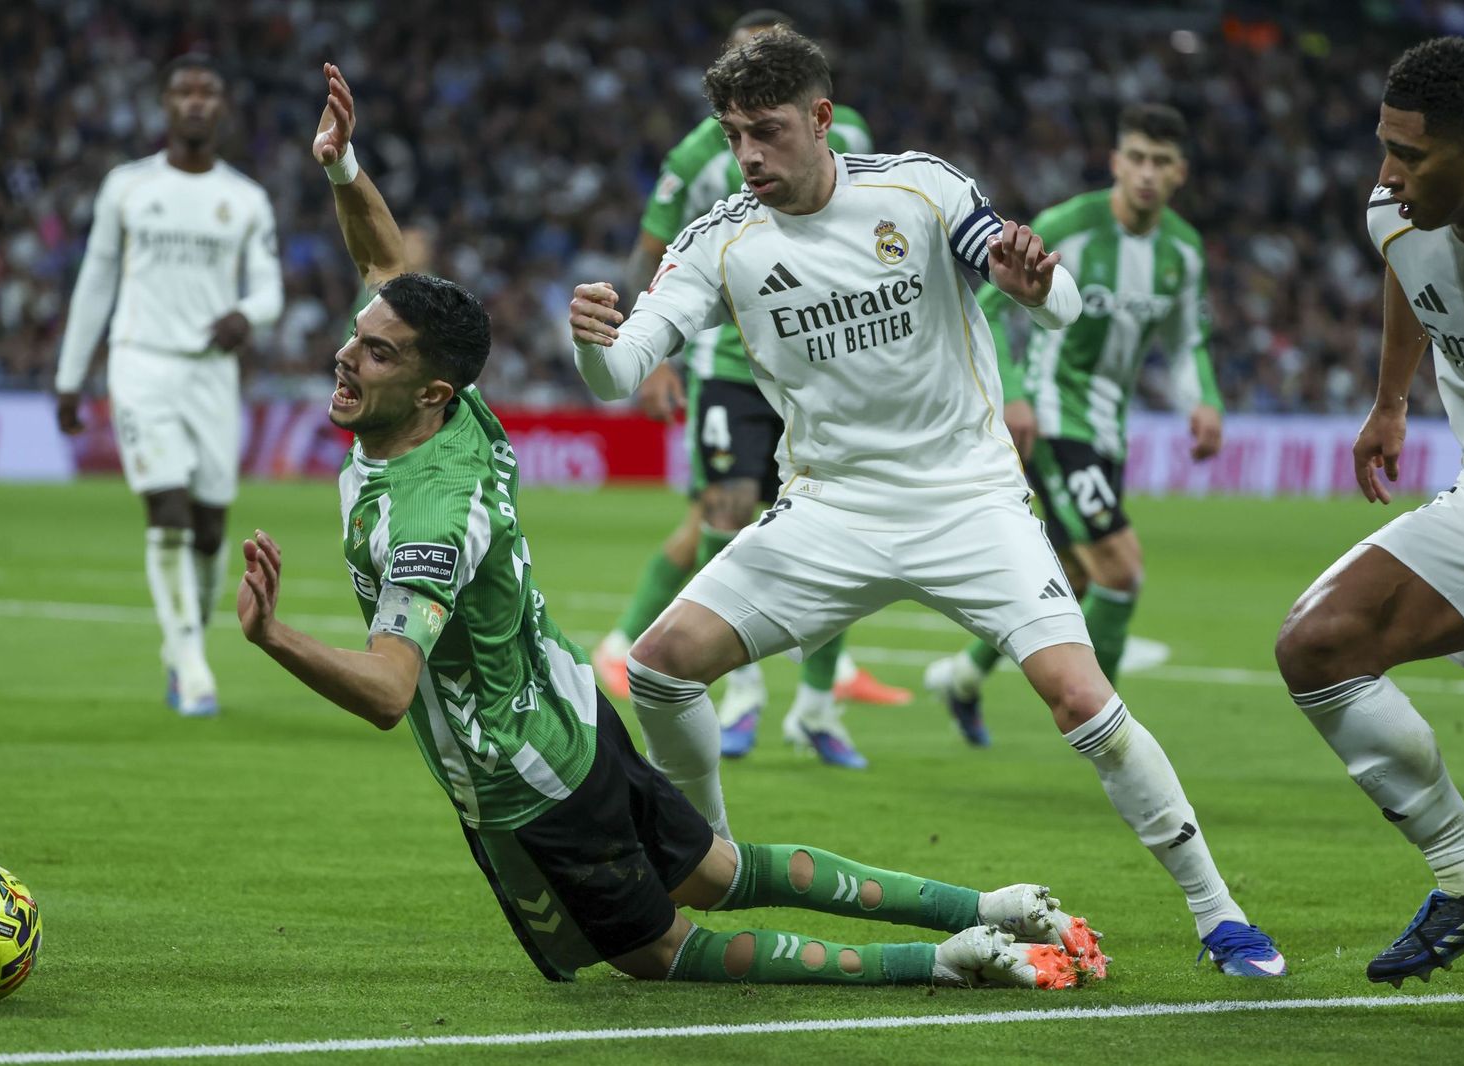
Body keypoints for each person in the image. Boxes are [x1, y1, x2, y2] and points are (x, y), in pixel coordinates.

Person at [233, 62, 1108, 990]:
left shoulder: (429, 514)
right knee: (724, 872)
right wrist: (342, 168)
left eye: (371, 352)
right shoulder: (453, 408)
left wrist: (271, 634)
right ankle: (987, 908)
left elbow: (387, 690)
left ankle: (939, 963)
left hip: (522, 776)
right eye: (359, 341)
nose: (344, 355)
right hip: (578, 710)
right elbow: (387, 270)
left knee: (663, 953)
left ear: (428, 388)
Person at [569, 26, 1284, 977]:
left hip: (969, 499)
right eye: (733, 133)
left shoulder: (922, 187)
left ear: (821, 119)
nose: (746, 155)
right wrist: (590, 338)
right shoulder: (720, 239)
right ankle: (713, 862)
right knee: (660, 669)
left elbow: (1053, 299)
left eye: (767, 130)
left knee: (1082, 698)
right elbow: (620, 376)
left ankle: (1218, 911)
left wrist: (1040, 288)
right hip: (830, 509)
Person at [591, 9, 907, 771]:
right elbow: (652, 251)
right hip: (730, 366)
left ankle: (817, 710)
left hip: (824, 363)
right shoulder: (699, 155)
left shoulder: (854, 136)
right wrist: (654, 353)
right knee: (726, 515)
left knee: (842, 527)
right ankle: (742, 697)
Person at [1275, 35, 1464, 988]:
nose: (1386, 176)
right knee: (1320, 644)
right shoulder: (1393, 213)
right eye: (1384, 146)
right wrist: (1391, 397)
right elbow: (1409, 266)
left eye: (1411, 156)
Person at [923, 104, 1223, 748]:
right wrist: (1018, 393)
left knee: (1074, 577)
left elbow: (1187, 339)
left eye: (1161, 163)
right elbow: (991, 305)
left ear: (1180, 174)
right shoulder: (1069, 227)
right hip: (1057, 419)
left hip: (1110, 427)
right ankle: (1107, 731)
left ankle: (964, 679)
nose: (1146, 174)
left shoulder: (1182, 251)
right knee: (1120, 569)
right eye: (1136, 158)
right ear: (1116, 162)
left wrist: (1205, 401)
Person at [53, 54, 283, 717]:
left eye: (207, 91)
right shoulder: (127, 187)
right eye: (183, 90)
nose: (195, 101)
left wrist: (250, 314)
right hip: (141, 362)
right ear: (165, 104)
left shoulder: (244, 199)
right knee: (170, 511)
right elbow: (95, 282)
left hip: (210, 373)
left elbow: (269, 288)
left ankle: (186, 646)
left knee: (212, 528)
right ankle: (190, 663)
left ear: (221, 107)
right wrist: (70, 378)